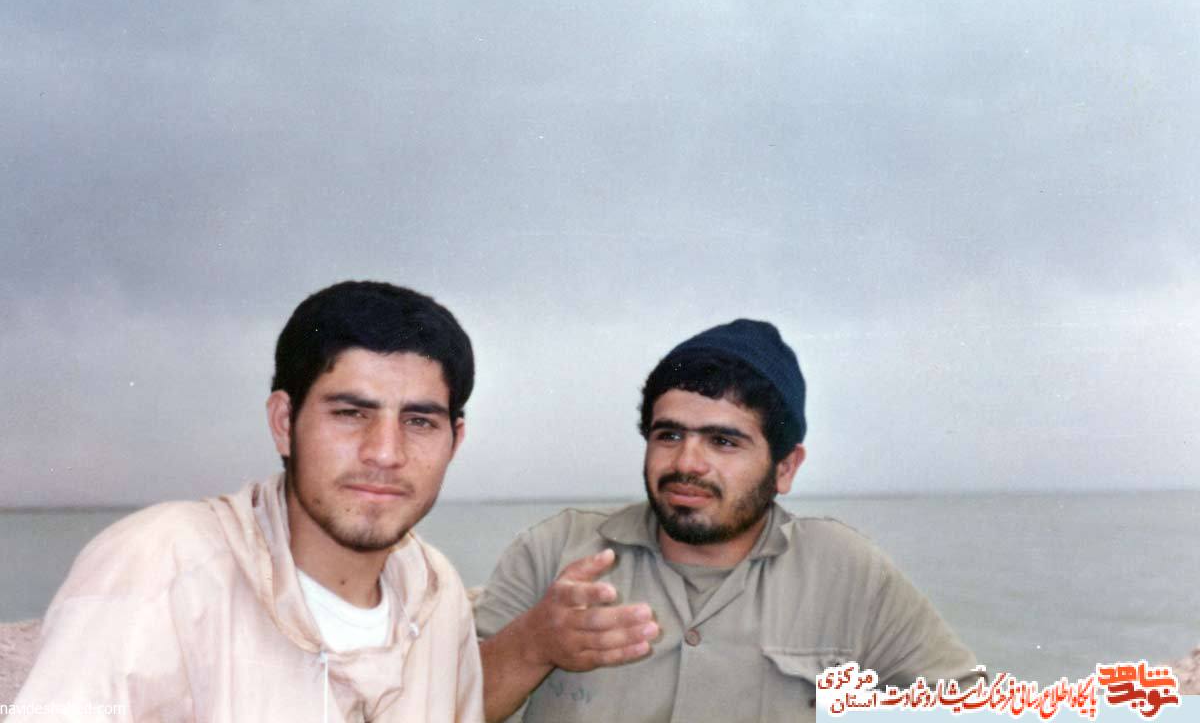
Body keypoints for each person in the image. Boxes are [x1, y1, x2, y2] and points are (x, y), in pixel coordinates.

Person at [13, 281, 484, 722]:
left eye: (419, 421)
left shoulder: (435, 595)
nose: (384, 452)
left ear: (455, 441)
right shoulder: (162, 567)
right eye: (350, 413)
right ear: (284, 422)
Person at [474, 319, 980, 722]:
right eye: (669, 435)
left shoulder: (846, 572)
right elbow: (444, 707)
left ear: (785, 468)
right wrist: (533, 645)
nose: (687, 462)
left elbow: (969, 708)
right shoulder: (554, 552)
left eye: (723, 441)